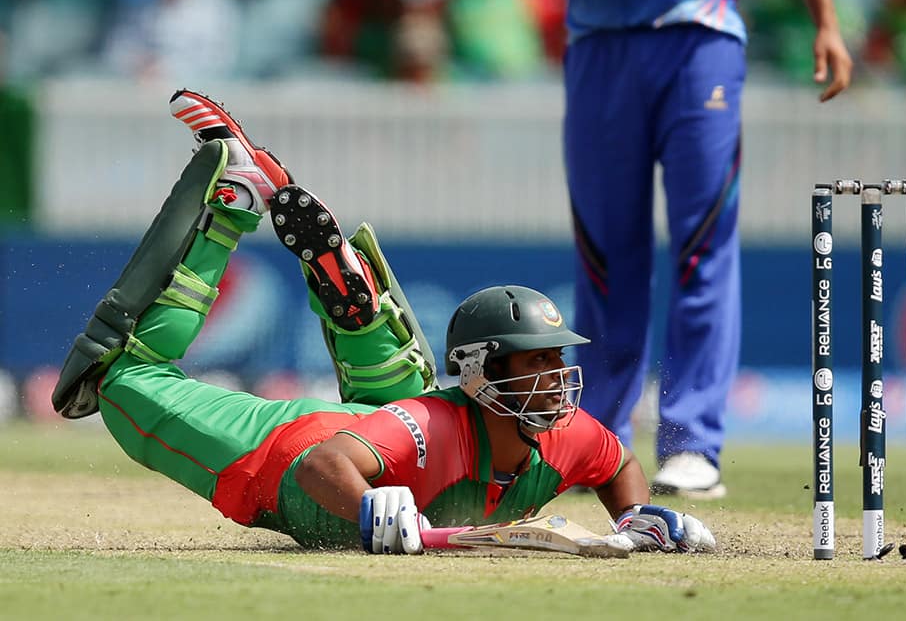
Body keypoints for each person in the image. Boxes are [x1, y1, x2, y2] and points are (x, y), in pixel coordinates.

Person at [50, 90, 716, 555]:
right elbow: (321, 469)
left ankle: (366, 324)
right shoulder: (434, 423)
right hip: (282, 459)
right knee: (118, 377)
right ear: (483, 372)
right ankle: (232, 206)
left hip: (385, 430)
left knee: (394, 412)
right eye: (534, 362)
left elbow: (616, 460)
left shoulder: (568, 434)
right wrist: (371, 509)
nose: (555, 378)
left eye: (554, 358)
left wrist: (637, 519)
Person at [527, 0, 853, 498]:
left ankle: (692, 444)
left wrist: (826, 22)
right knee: (605, 259)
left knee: (702, 248)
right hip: (599, 41)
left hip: (700, 36)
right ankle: (599, 441)